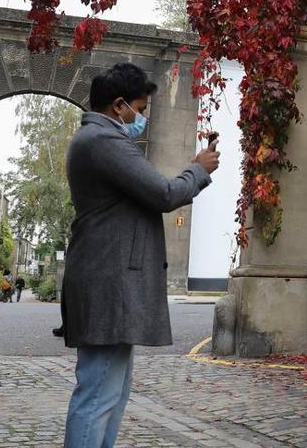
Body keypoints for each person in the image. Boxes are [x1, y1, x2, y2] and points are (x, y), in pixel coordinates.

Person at [61, 63, 220, 448]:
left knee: (109, 392)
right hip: (108, 283)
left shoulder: (98, 140)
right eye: (141, 109)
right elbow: (163, 193)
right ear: (119, 106)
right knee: (98, 392)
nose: (143, 118)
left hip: (107, 279)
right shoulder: (104, 142)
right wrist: (197, 170)